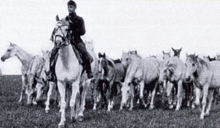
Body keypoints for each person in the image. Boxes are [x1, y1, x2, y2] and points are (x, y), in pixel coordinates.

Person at [46, 0, 93, 81]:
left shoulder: (79, 19)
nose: (69, 9)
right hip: (65, 40)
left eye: (71, 7)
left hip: (76, 40)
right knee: (53, 52)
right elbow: (59, 29)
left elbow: (83, 31)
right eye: (68, 7)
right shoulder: (64, 19)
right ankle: (51, 73)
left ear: (75, 8)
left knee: (84, 51)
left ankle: (89, 71)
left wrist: (72, 31)